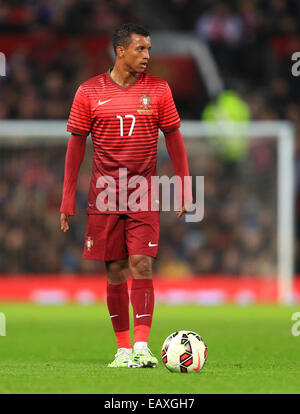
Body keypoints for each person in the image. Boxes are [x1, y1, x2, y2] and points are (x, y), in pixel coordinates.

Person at [60, 23, 192, 368]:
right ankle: (122, 350)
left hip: (144, 192)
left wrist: (184, 187)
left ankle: (142, 346)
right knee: (115, 270)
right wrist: (67, 197)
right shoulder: (89, 92)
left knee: (142, 264)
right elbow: (75, 146)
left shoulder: (160, 90)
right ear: (121, 51)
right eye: (140, 49)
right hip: (104, 193)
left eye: (149, 48)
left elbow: (174, 140)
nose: (147, 56)